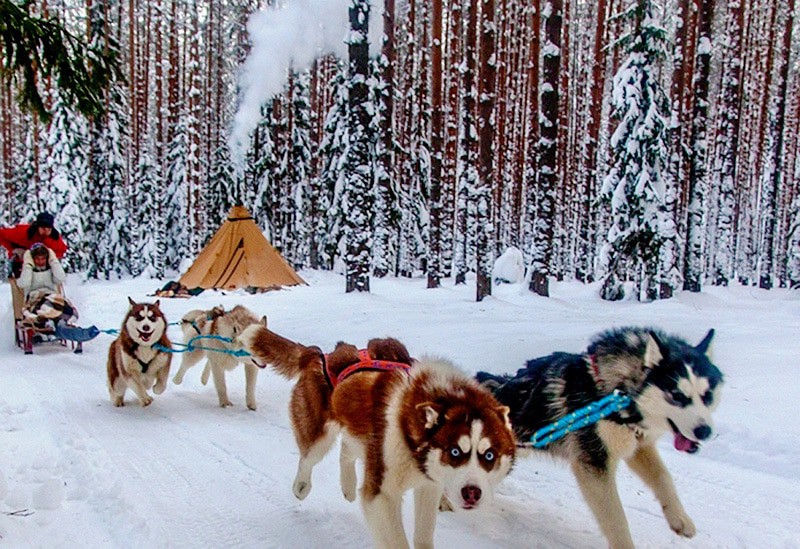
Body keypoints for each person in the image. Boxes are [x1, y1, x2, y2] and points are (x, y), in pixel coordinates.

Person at [17, 243, 78, 333]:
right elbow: (23, 283)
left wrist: (54, 261)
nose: (40, 261)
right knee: (43, 305)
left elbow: (61, 278)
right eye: (37, 259)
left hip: (53, 296)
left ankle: (58, 320)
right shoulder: (28, 270)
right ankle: (49, 321)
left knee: (61, 303)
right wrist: (27, 265)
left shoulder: (50, 269)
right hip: (35, 298)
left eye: (43, 259)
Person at [0, 212, 68, 278]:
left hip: (43, 267)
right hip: (21, 265)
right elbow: (1, 235)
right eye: (43, 228)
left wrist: (49, 255)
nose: (46, 231)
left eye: (49, 229)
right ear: (37, 227)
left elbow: (62, 251)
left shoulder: (54, 238)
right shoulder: (24, 232)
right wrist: (14, 249)